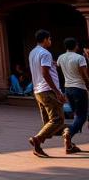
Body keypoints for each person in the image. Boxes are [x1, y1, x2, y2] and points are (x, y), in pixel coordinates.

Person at [28, 29, 66, 158]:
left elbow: (42, 68)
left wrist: (54, 64)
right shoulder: (45, 53)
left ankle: (38, 146)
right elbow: (45, 73)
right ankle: (37, 139)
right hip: (47, 90)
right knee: (58, 119)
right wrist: (57, 92)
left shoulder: (33, 52)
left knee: (48, 122)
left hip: (38, 90)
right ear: (45, 39)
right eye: (49, 39)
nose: (50, 41)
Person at [57, 37, 89, 154]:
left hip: (68, 88)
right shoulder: (79, 58)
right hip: (79, 88)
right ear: (76, 45)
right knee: (82, 116)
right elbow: (85, 75)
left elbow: (58, 66)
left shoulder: (61, 57)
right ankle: (69, 133)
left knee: (77, 114)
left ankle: (69, 144)